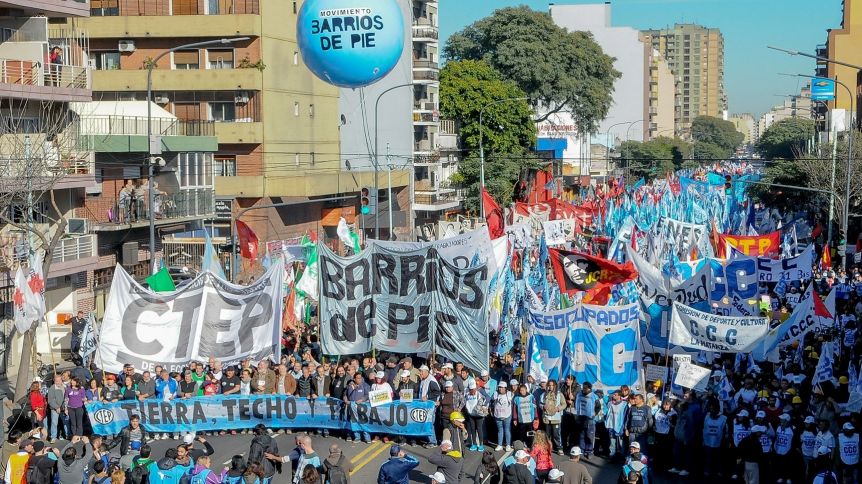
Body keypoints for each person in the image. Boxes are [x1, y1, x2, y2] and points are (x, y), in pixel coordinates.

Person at [464, 381, 490, 452]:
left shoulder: (479, 393)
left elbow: (488, 398)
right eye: (471, 389)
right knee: (472, 429)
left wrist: (484, 406)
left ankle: (481, 445)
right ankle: (474, 444)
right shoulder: (467, 394)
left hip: (479, 415)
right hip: (471, 414)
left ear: (475, 388)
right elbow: (465, 402)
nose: (472, 391)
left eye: (473, 389)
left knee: (479, 429)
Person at [541, 380, 565, 454]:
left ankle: (559, 448)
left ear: (555, 386)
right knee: (547, 434)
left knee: (556, 434)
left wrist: (558, 408)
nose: (551, 387)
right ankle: (547, 447)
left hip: (556, 418)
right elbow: (540, 403)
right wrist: (543, 406)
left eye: (552, 385)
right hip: (547, 418)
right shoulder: (544, 394)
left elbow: (564, 404)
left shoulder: (559, 394)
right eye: (549, 385)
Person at [492, 381, 513, 452]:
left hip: (507, 415)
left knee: (507, 430)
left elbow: (511, 401)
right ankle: (500, 445)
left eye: (502, 387)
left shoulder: (509, 394)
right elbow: (493, 401)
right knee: (500, 430)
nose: (500, 389)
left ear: (505, 388)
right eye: (499, 387)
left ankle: (508, 445)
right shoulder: (495, 393)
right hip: (498, 415)